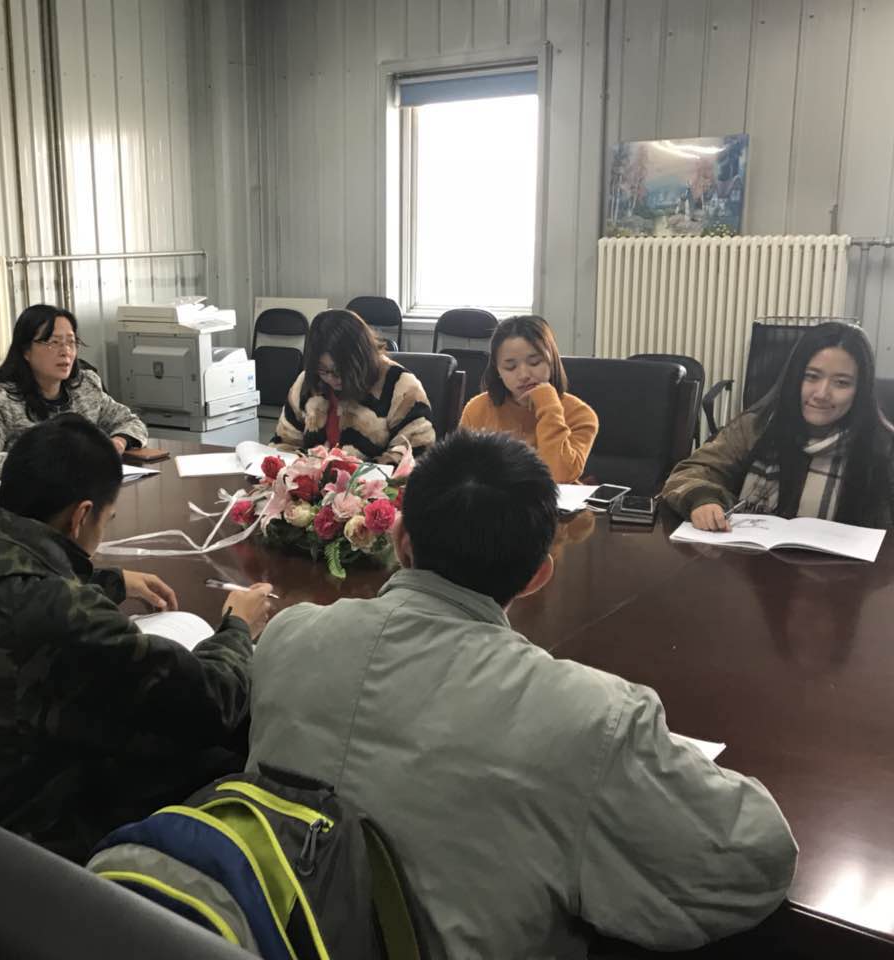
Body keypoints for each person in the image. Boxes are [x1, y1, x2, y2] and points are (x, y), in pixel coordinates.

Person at [247, 430, 797, 958]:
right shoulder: (588, 718)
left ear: (400, 540)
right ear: (538, 575)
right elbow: (756, 857)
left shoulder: (287, 636)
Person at [0, 413, 274, 862]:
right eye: (107, 520)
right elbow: (212, 701)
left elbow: (4, 581)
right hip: (10, 842)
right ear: (81, 516)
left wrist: (108, 580)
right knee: (225, 750)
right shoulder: (61, 611)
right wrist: (237, 627)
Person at [663, 321, 894, 531]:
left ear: (860, 391)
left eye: (841, 383)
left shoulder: (885, 448)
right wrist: (702, 500)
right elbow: (689, 473)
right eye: (811, 377)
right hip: (749, 560)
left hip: (846, 565)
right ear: (794, 378)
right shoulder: (756, 426)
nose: (822, 394)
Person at [0, 304, 149, 478]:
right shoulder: (0, 398)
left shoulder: (86, 386)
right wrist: (45, 463)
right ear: (26, 351)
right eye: (54, 343)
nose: (66, 352)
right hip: (29, 501)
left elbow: (131, 422)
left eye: (71, 342)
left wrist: (118, 442)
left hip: (83, 491)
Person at [273, 309, 435, 465]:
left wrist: (356, 476)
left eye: (340, 370)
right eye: (323, 370)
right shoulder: (309, 381)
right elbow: (284, 444)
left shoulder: (400, 387)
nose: (331, 378)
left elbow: (415, 457)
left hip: (377, 482)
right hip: (313, 482)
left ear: (361, 358)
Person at [458, 314, 598, 483]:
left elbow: (559, 476)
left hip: (553, 500)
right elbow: (462, 473)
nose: (524, 375)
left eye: (535, 363)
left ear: (552, 361)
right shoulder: (478, 408)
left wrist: (549, 408)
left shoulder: (580, 414)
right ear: (498, 371)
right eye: (510, 367)